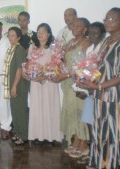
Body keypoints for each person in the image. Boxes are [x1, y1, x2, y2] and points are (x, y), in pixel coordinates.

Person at [77, 7, 120, 169]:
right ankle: (99, 161)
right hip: (99, 96)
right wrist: (86, 81)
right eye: (106, 19)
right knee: (99, 132)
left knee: (112, 134)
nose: (107, 22)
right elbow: (99, 67)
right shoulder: (107, 42)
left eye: (112, 19)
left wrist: (99, 85)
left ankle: (111, 163)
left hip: (114, 98)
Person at [54, 18, 91, 158]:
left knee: (79, 113)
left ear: (85, 29)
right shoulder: (70, 42)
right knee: (71, 113)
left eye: (78, 25)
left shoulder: (86, 43)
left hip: (79, 84)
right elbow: (64, 61)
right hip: (68, 84)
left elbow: (88, 66)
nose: (74, 27)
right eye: (73, 25)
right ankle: (76, 141)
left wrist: (68, 73)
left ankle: (84, 144)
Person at [26, 23, 63, 144]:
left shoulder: (54, 48)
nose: (40, 34)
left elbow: (56, 65)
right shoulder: (32, 47)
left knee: (49, 107)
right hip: (36, 82)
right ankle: (37, 135)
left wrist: (44, 74)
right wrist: (29, 72)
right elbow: (28, 64)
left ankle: (52, 136)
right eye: (38, 31)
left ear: (49, 34)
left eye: (43, 31)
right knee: (36, 108)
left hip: (49, 82)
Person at [77, 22, 106, 165]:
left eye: (96, 33)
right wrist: (81, 86)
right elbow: (84, 70)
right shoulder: (89, 49)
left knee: (98, 125)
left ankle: (99, 154)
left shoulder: (105, 49)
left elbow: (102, 71)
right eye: (91, 33)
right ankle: (92, 151)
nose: (93, 36)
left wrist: (90, 85)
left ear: (103, 34)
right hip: (89, 92)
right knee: (89, 122)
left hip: (101, 91)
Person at [3, 27, 29, 145]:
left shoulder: (19, 50)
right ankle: (18, 133)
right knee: (15, 110)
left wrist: (13, 86)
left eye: (13, 35)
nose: (10, 37)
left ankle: (24, 136)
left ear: (18, 37)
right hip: (13, 84)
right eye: (9, 35)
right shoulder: (11, 49)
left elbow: (19, 69)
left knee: (21, 110)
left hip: (18, 85)